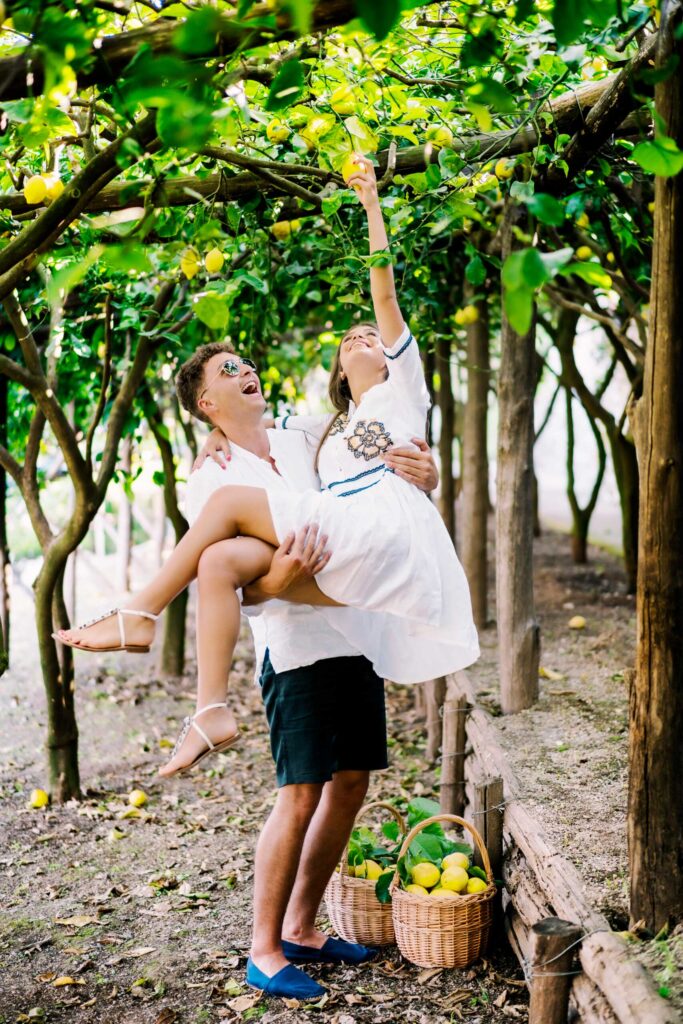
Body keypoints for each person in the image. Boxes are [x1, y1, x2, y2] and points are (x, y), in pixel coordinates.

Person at [54, 159, 480, 770]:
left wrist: (371, 206)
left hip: (380, 541)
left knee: (228, 510)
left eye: (373, 339)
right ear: (337, 374)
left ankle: (141, 612)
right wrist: (213, 440)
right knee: (219, 556)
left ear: (391, 359)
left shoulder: (401, 392)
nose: (363, 338)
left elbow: (383, 290)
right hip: (327, 569)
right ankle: (210, 711)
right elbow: (262, 434)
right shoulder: (327, 431)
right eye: (349, 341)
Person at [165, 352, 437, 999]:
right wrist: (281, 578)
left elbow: (372, 437)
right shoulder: (211, 479)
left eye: (246, 364)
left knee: (351, 784)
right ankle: (263, 948)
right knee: (301, 792)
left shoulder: (304, 433)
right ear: (206, 403)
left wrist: (424, 470)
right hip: (293, 645)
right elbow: (235, 588)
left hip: (355, 629)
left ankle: (301, 927)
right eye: (227, 371)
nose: (245, 371)